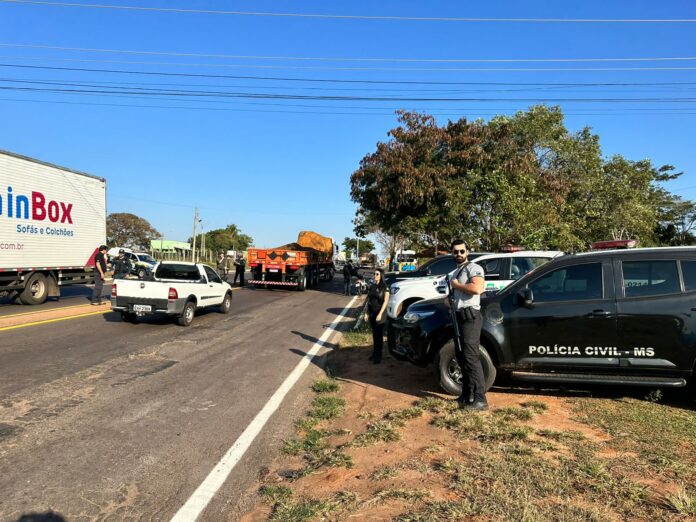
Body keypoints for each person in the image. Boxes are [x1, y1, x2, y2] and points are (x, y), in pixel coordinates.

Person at [448, 239, 487, 411]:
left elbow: (477, 288)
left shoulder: (474, 268)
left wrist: (457, 285)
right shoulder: (454, 271)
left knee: (471, 357)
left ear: (467, 252)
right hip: (458, 317)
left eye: (462, 251)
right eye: (455, 251)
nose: (459, 254)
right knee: (461, 356)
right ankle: (466, 394)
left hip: (470, 317)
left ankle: (480, 399)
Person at [366, 268, 390, 364]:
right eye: (374, 274)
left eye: (377, 274)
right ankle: (374, 353)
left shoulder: (385, 287)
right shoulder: (371, 286)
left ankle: (378, 356)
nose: (375, 276)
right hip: (372, 313)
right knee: (374, 334)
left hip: (380, 313)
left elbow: (385, 302)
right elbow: (369, 301)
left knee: (379, 335)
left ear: (381, 276)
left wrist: (380, 314)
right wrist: (367, 313)